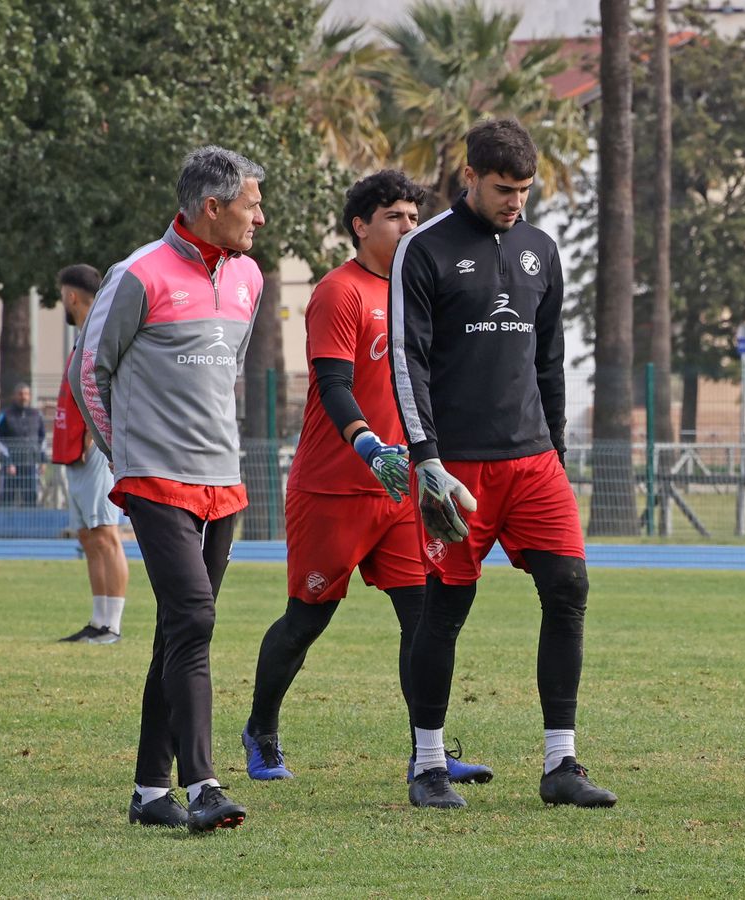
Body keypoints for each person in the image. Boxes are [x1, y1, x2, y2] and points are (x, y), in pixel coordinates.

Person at [240, 169, 492, 787]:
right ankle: (261, 732)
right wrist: (370, 445)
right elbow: (331, 385)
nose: (408, 226)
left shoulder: (421, 292)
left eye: (413, 216)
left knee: (423, 616)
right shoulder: (339, 292)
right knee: (308, 617)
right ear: (361, 225)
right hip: (335, 487)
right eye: (394, 217)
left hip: (402, 489)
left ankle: (426, 753)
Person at [392, 118, 616, 810]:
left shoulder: (541, 250)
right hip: (455, 467)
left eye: (523, 189)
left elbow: (550, 363)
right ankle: (428, 765)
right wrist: (426, 460)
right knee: (446, 608)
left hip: (533, 462)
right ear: (469, 178)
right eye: (502, 189)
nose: (515, 201)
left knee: (570, 587)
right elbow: (409, 362)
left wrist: (560, 453)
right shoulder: (422, 250)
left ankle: (561, 764)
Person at [70, 145, 266, 832]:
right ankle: (205, 784)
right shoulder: (138, 274)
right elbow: (88, 373)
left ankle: (151, 791)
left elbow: (226, 373)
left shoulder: (250, 277)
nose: (260, 218)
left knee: (177, 632)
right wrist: (126, 456)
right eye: (251, 204)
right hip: (155, 479)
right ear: (211, 207)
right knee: (195, 620)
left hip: (224, 481)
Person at [53, 264, 128, 645]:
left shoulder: (100, 329)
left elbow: (103, 383)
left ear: (71, 296)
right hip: (76, 449)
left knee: (106, 533)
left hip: (94, 448)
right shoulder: (84, 332)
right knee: (88, 535)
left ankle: (111, 625)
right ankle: (98, 620)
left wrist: (93, 437)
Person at [0, 383, 45, 506]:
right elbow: (0, 440)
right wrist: (8, 462)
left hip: (30, 464)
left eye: (26, 394)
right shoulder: (5, 415)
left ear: (29, 396)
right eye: (20, 394)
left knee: (31, 499)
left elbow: (42, 439)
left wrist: (43, 460)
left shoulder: (36, 415)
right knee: (7, 500)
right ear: (15, 396)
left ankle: (31, 524)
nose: (23, 397)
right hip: (11, 466)